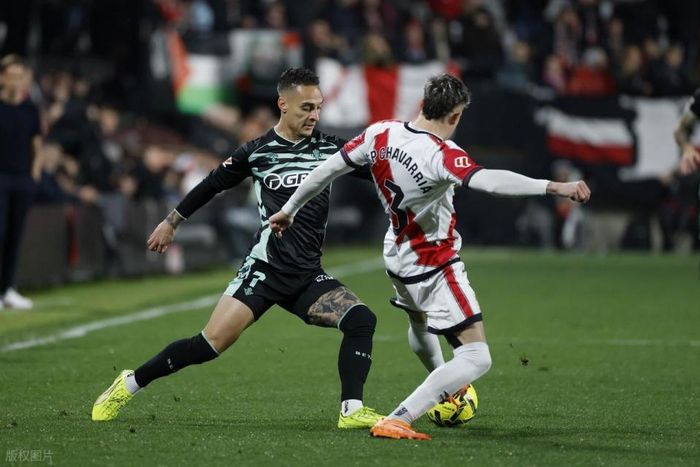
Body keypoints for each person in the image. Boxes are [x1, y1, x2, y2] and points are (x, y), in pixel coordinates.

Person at [270, 74, 591, 440]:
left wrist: (290, 209)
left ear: (422, 104)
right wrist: (553, 186)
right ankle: (399, 417)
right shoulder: (442, 154)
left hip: (397, 254)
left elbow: (328, 170)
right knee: (477, 358)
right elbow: (490, 181)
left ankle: (447, 388)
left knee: (419, 322)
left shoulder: (381, 133)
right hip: (434, 262)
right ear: (455, 116)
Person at [91, 68, 384, 429]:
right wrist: (171, 222)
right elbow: (211, 184)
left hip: (307, 275)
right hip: (264, 271)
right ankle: (129, 383)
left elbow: (379, 171)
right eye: (307, 107)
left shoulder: (332, 150)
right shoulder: (257, 151)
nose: (315, 115)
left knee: (361, 320)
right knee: (208, 346)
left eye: (319, 107)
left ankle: (351, 410)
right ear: (283, 104)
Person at [0, 55, 42, 310]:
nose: (15, 81)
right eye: (10, 76)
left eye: (19, 76)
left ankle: (8, 289)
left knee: (14, 235)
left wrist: (34, 174)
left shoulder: (30, 109)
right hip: (1, 178)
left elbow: (36, 144)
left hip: (22, 179)